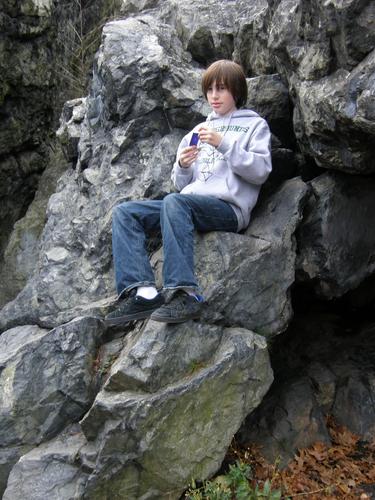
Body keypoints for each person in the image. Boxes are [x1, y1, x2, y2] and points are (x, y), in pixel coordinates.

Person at [105, 59, 272, 326]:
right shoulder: (198, 130)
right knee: (125, 213)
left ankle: (185, 292)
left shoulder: (255, 126)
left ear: (237, 91)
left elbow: (261, 171)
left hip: (228, 209)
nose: (214, 96)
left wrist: (224, 145)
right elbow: (182, 186)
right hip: (191, 204)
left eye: (221, 89)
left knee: (175, 203)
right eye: (209, 90)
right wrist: (183, 165)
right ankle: (144, 293)